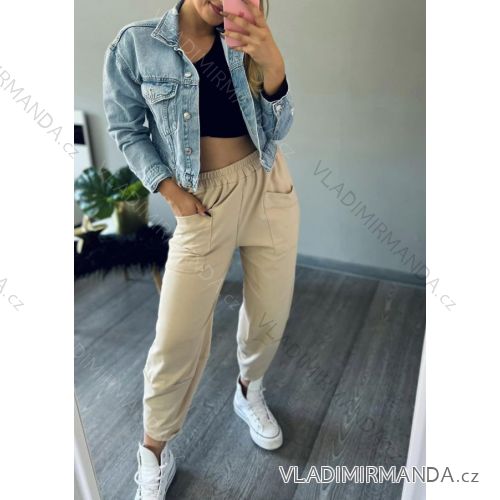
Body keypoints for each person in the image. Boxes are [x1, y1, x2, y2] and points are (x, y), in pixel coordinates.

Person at [103, 0, 299, 497]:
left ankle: (249, 390)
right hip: (201, 201)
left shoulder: (246, 38)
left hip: (267, 186)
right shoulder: (136, 45)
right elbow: (127, 129)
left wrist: (274, 68)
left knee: (270, 313)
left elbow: (278, 129)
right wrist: (170, 191)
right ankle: (154, 448)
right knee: (177, 335)